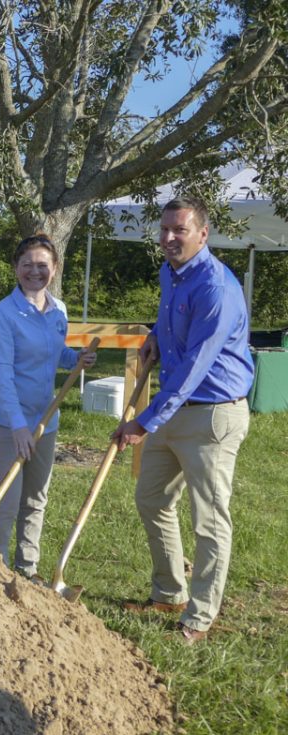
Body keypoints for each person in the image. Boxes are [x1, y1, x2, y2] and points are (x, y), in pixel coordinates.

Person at [114, 196, 253, 644]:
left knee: (209, 520)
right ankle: (168, 592)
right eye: (166, 230)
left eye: (180, 230)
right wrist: (157, 335)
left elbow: (197, 366)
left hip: (211, 415)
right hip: (174, 409)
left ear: (203, 234)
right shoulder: (170, 274)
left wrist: (142, 421)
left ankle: (200, 616)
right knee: (151, 497)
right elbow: (175, 322)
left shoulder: (216, 287)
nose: (170, 238)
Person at [0, 235, 96, 577]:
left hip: (45, 420)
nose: (35, 271)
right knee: (6, 503)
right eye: (27, 264)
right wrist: (17, 426)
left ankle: (27, 570)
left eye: (42, 265)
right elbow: (2, 374)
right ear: (16, 268)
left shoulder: (58, 310)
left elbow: (54, 351)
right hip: (4, 423)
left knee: (35, 501)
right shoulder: (3, 316)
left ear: (54, 269)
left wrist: (76, 358)